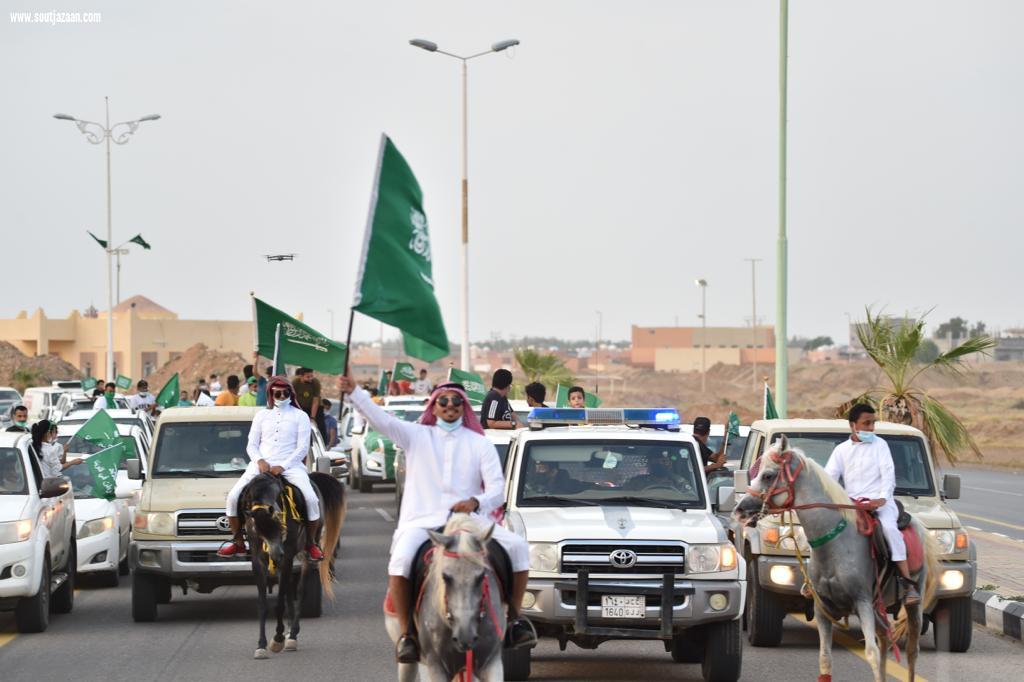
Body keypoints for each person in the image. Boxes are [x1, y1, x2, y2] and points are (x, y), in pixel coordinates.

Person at [338, 377, 536, 662]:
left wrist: (476, 501)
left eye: (456, 402)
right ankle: (407, 634)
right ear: (435, 405)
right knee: (402, 559)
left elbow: (497, 489)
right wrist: (355, 392)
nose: (450, 406)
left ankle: (516, 620)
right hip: (423, 522)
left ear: (464, 406)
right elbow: (381, 419)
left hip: (469, 520)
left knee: (517, 547)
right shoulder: (416, 435)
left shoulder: (480, 443)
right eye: (443, 401)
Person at [218, 377, 323, 560]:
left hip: (291, 466)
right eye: (278, 393)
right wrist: (259, 461)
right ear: (271, 395)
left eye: (286, 393)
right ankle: (238, 543)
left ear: (291, 393)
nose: (282, 396)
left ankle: (311, 543)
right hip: (261, 466)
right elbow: (251, 445)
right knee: (233, 497)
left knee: (311, 498)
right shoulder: (261, 416)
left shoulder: (301, 416)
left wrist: (283, 466)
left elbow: (302, 448)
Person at [825, 403, 920, 605]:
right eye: (866, 423)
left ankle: (907, 583)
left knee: (889, 529)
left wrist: (881, 499)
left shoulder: (881, 445)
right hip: (853, 505)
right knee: (825, 529)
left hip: (881, 503)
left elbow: (888, 476)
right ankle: (816, 577)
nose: (870, 428)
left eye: (872, 423)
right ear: (853, 425)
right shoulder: (841, 451)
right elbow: (829, 479)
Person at [292, 367, 326, 440]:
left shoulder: (315, 382)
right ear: (301, 376)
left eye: (311, 376)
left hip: (316, 407)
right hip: (301, 406)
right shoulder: (295, 383)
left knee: (319, 425)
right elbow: (293, 399)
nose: (310, 378)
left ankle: (323, 442)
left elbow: (315, 401)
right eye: (308, 377)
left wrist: (313, 418)